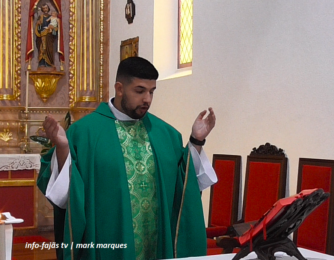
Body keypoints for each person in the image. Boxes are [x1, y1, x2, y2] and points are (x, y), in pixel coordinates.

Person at [38, 57, 217, 260]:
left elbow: (185, 187)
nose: (147, 99)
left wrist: (196, 141)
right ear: (119, 88)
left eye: (151, 91)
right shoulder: (84, 133)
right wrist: (62, 149)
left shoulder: (166, 134)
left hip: (157, 247)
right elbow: (66, 197)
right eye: (140, 91)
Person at [35, 3, 57, 69]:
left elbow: (55, 27)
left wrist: (53, 28)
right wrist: (38, 25)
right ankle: (42, 63)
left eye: (46, 8)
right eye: (44, 8)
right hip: (42, 36)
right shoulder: (40, 17)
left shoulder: (51, 17)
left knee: (49, 49)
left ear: (48, 9)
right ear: (42, 9)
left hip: (49, 37)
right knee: (42, 49)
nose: (45, 10)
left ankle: (49, 63)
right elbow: (38, 28)